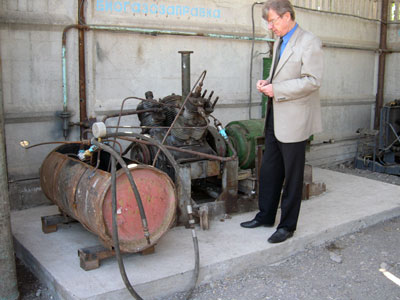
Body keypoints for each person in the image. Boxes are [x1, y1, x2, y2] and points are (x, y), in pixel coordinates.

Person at [240, 0, 323, 243]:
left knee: (293, 175)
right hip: (275, 114)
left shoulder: (309, 42)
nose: (270, 26)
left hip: (295, 119)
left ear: (287, 16)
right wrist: (267, 82)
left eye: (273, 21)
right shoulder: (280, 40)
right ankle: (265, 216)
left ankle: (287, 226)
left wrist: (279, 89)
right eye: (268, 22)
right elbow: (280, 73)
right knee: (269, 169)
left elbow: (313, 81)